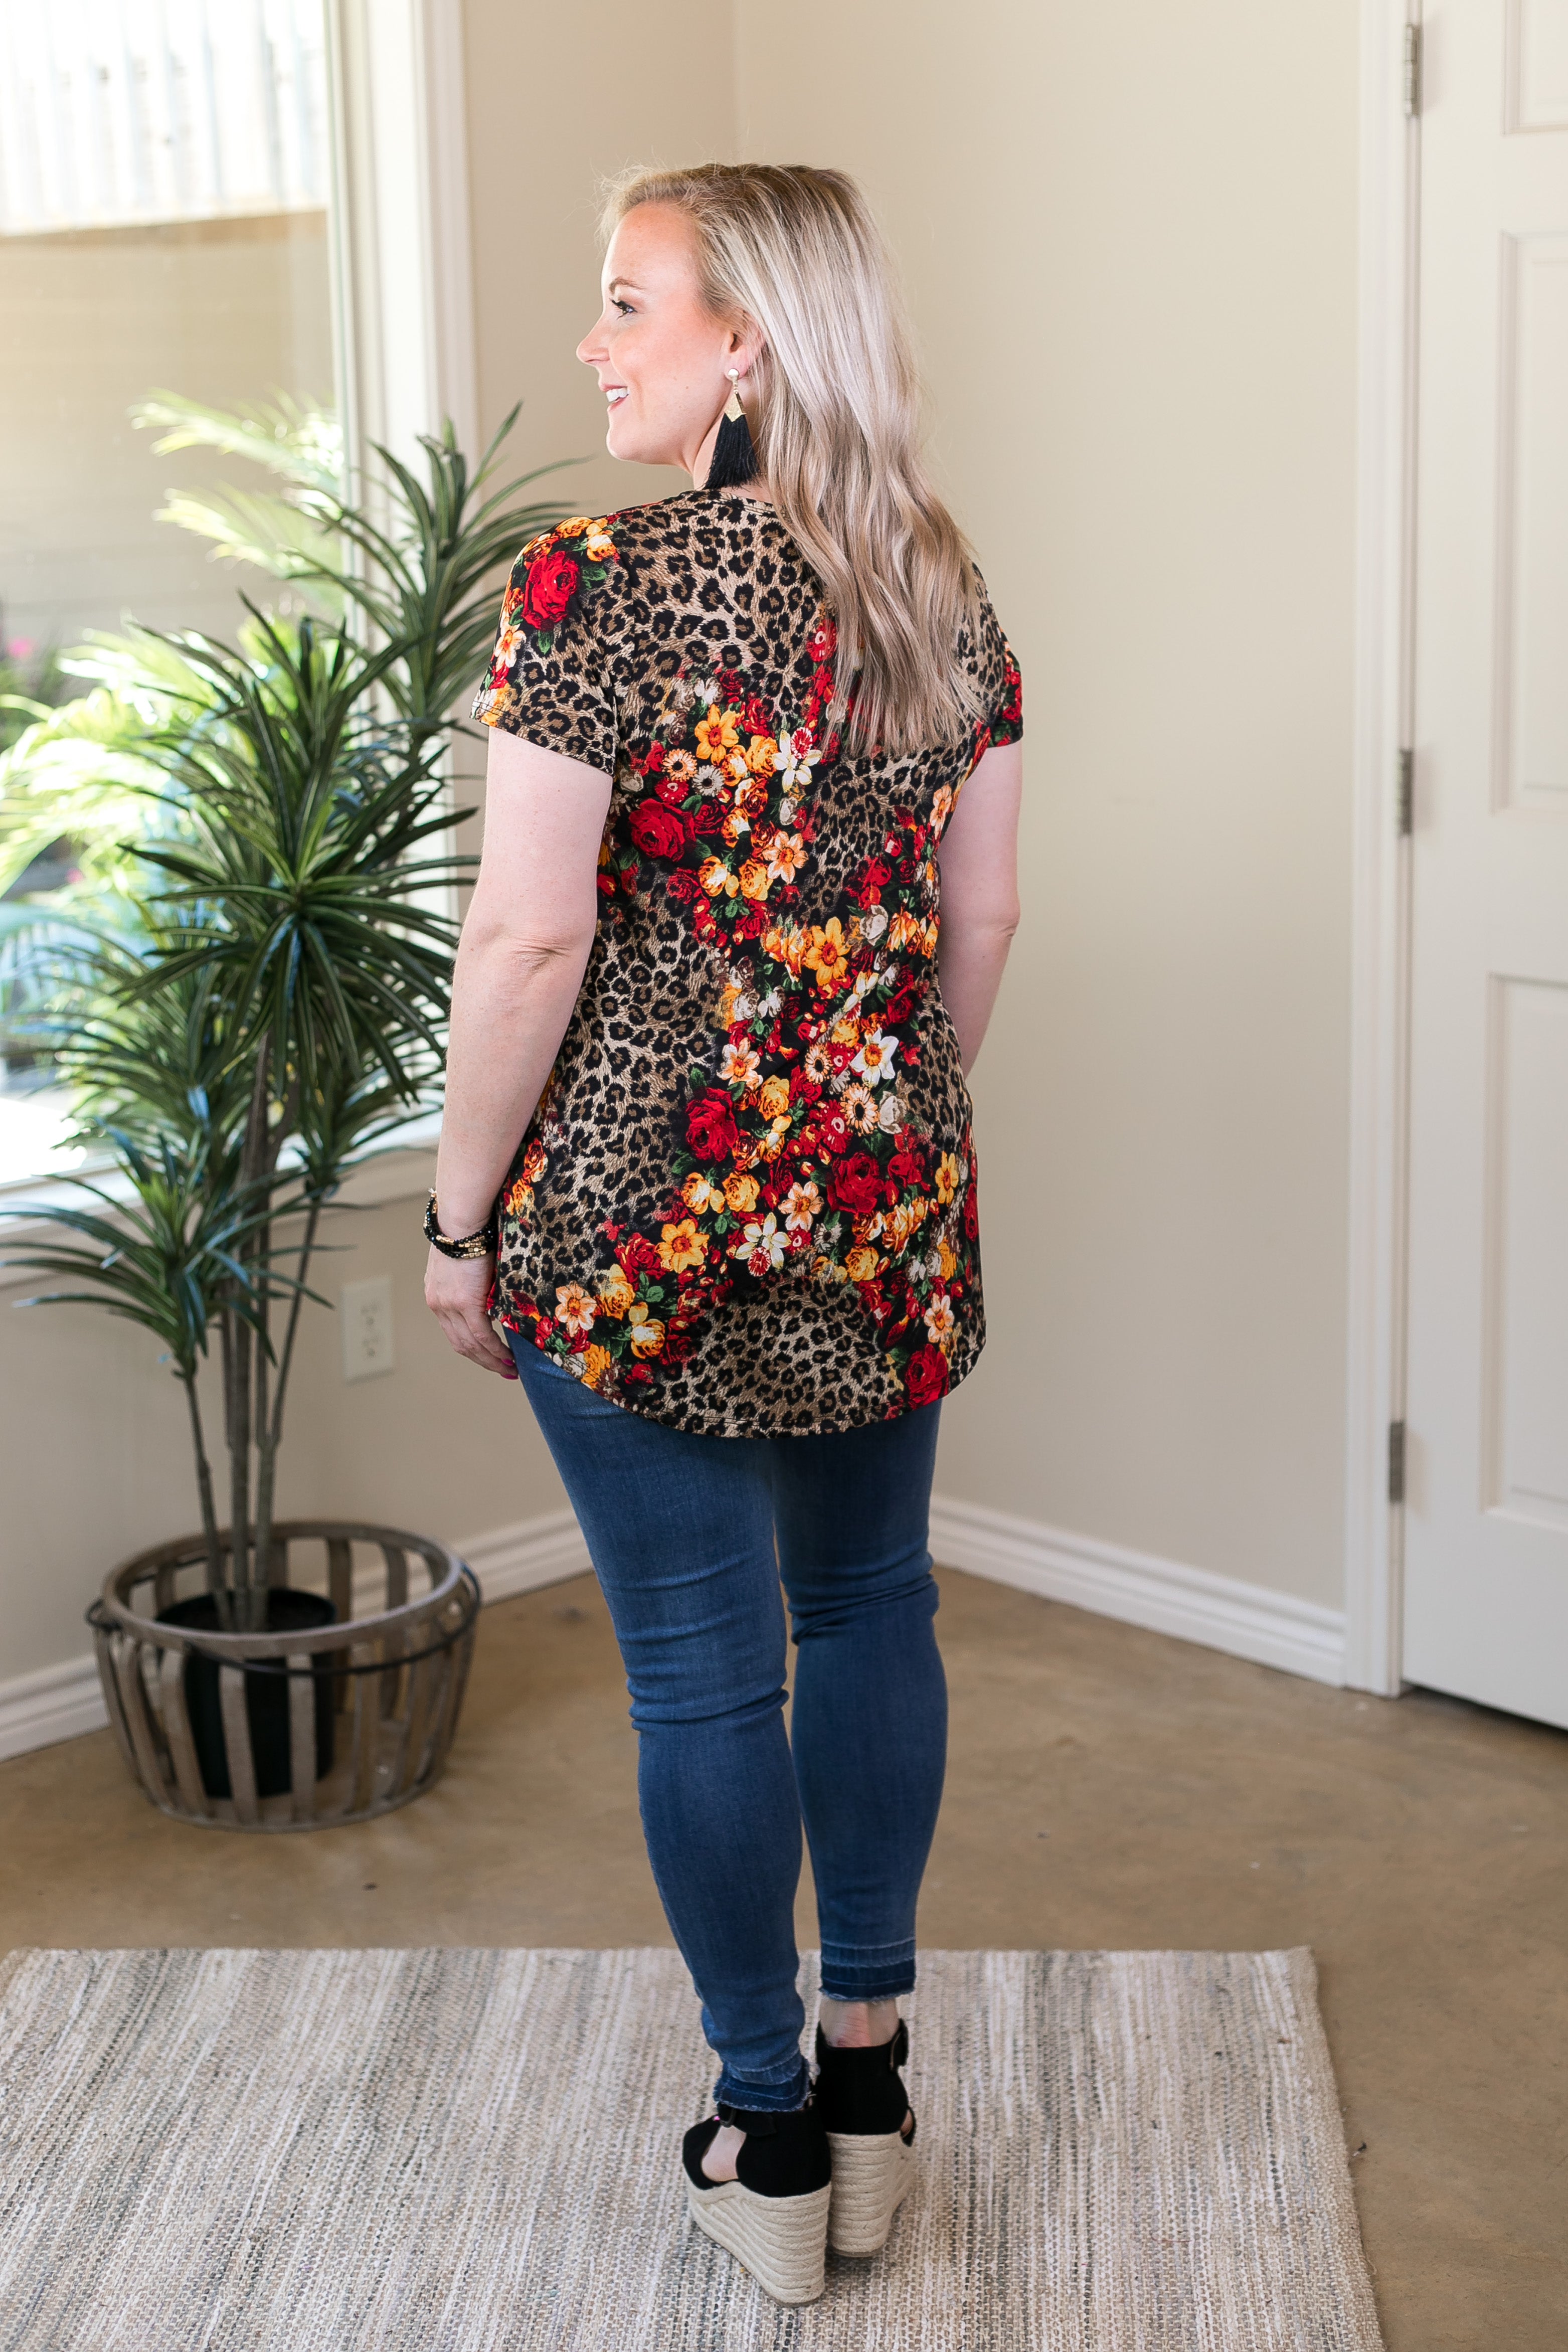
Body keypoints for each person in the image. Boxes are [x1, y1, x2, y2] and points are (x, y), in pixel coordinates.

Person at [425, 162, 1022, 2307]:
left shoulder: (590, 587)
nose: (594, 345)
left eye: (627, 302)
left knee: (700, 1674)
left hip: (635, 1223)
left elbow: (525, 943)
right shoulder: (935, 582)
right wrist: (877, 1124)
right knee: (869, 1607)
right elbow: (980, 923)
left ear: (746, 340)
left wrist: (455, 1219)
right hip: (877, 1204)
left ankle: (762, 2131)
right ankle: (869, 2084)